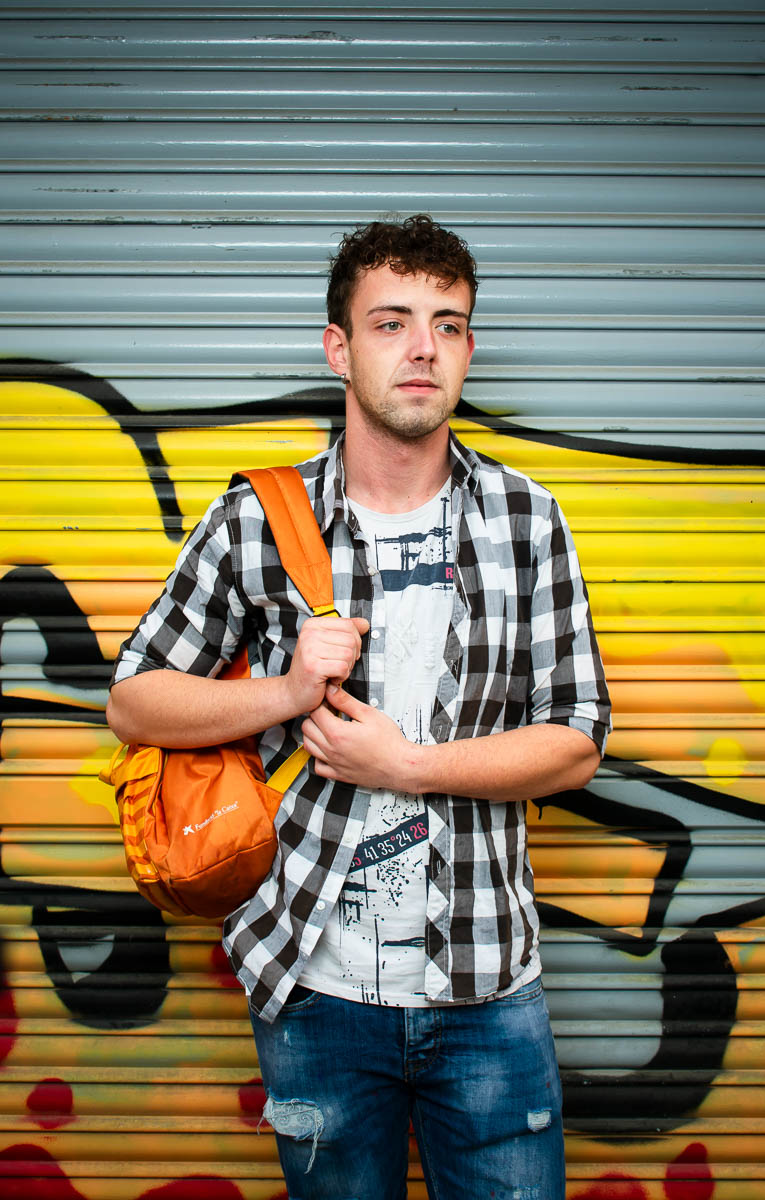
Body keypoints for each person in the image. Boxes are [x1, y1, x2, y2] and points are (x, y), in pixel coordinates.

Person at [107, 214, 611, 1200]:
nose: (422, 347)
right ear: (338, 347)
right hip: (314, 986)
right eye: (391, 322)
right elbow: (134, 703)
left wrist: (408, 767)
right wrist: (287, 693)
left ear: (468, 347)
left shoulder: (525, 520)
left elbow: (575, 741)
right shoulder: (259, 518)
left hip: (486, 989)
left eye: (448, 323)